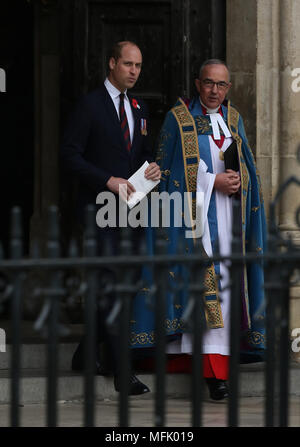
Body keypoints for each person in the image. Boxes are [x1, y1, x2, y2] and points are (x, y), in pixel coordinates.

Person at [130, 59, 267, 400]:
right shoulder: (179, 121)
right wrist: (212, 181)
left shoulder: (234, 120)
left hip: (232, 223)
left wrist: (239, 181)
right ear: (197, 83)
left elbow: (249, 167)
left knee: (227, 294)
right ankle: (213, 375)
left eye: (221, 85)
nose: (214, 91)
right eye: (208, 83)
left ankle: (218, 368)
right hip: (196, 225)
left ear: (229, 88)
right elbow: (167, 176)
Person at [61, 41, 161, 395]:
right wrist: (107, 180)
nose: (134, 71)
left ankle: (85, 353)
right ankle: (123, 372)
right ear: (112, 63)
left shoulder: (140, 106)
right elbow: (69, 156)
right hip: (99, 212)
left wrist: (153, 171)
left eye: (138, 65)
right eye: (128, 64)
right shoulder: (89, 106)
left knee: (126, 286)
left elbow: (143, 154)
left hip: (131, 212)